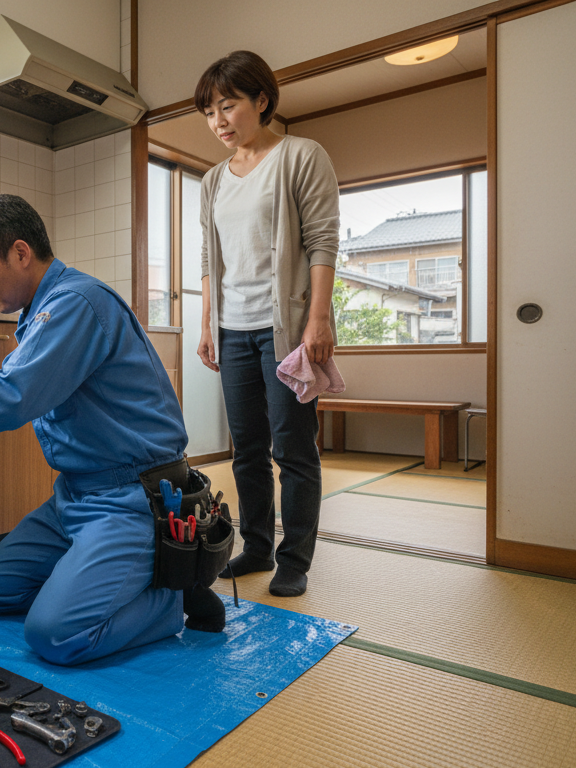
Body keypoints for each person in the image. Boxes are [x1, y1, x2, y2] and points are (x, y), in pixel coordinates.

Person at [0, 194, 226, 666]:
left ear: (20, 253)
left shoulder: (75, 304)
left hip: (131, 498)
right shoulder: (43, 309)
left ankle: (173, 593)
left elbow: (16, 395)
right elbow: (12, 381)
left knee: (55, 636)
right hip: (74, 496)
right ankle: (102, 577)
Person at [193, 51, 340, 597]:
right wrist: (207, 324)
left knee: (293, 449)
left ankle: (294, 559)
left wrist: (317, 319)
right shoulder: (213, 180)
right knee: (247, 450)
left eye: (227, 106)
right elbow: (209, 258)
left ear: (261, 100)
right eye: (210, 112)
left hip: (287, 330)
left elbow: (322, 241)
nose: (219, 121)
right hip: (232, 330)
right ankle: (255, 546)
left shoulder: (301, 155)